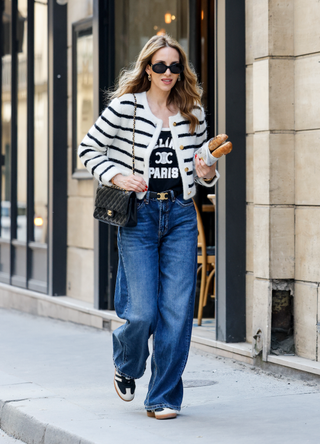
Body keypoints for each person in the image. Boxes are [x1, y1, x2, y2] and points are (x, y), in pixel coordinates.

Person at [79, 34, 222, 420]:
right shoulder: (127, 107)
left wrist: (207, 170)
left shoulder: (193, 111)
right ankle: (126, 363)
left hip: (179, 214)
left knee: (176, 312)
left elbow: (202, 172)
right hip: (139, 216)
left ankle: (162, 397)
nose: (168, 73)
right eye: (160, 66)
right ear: (147, 67)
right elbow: (88, 149)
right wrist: (117, 175)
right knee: (142, 313)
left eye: (175, 66)